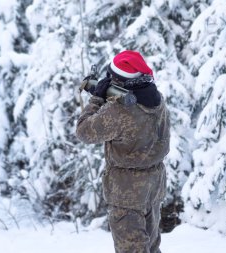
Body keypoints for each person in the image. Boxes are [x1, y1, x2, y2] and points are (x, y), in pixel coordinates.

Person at [76, 50, 170, 253]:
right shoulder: (156, 99)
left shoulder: (118, 112)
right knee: (151, 247)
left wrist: (96, 100)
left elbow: (84, 132)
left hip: (127, 190)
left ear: (118, 80)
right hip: (154, 184)